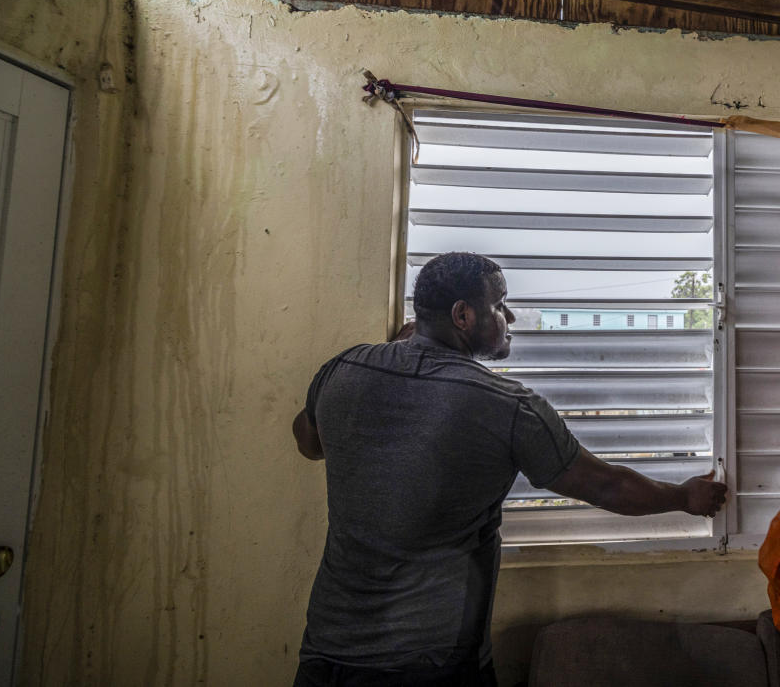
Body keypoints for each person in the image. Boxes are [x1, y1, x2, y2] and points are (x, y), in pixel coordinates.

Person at [291, 252, 728, 686]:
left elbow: (309, 442)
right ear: (462, 315)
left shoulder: (343, 370)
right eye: (500, 304)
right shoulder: (507, 406)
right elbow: (606, 487)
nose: (511, 316)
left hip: (326, 652)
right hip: (432, 661)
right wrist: (683, 497)